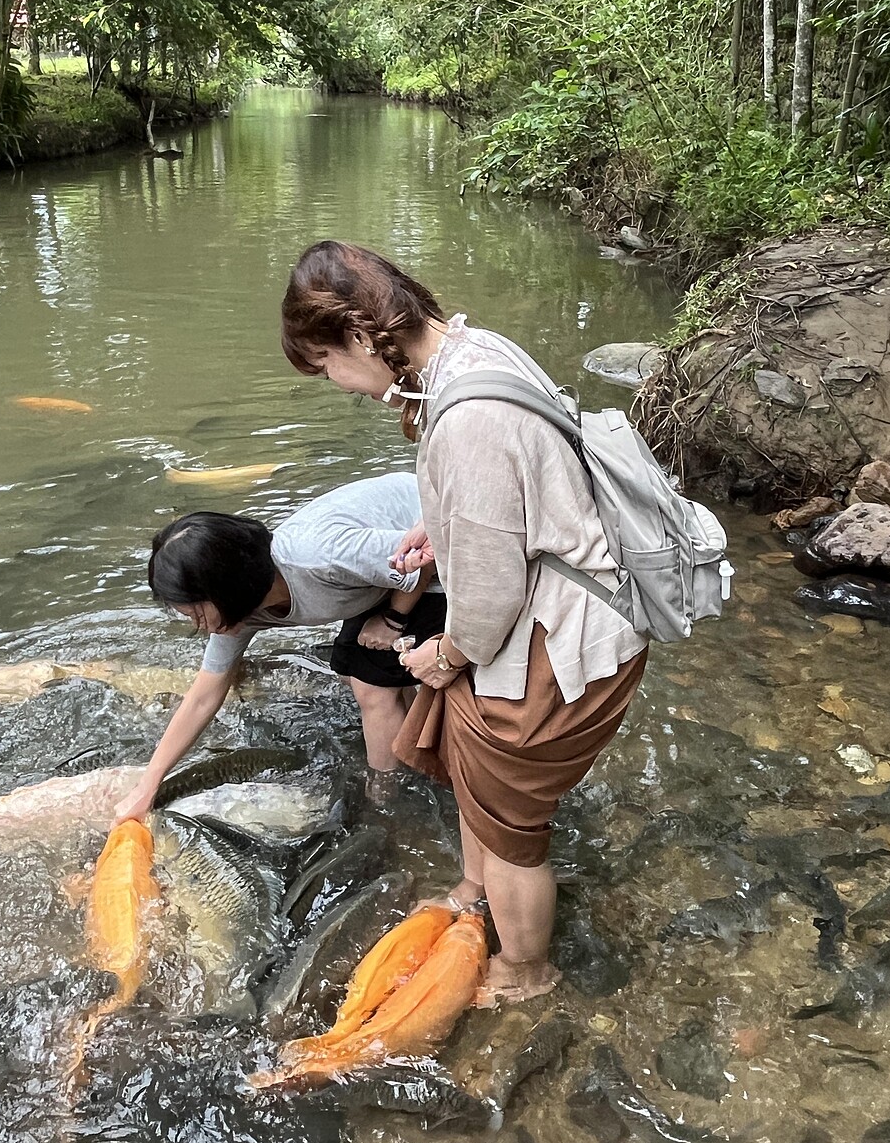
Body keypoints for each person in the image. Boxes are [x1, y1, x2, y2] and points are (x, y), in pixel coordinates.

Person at [280, 241, 648, 1003]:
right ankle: (472, 890)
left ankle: (525, 972)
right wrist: (439, 525)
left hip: (564, 641)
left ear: (357, 335)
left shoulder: (464, 419)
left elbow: (485, 601)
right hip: (579, 605)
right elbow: (511, 493)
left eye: (328, 366)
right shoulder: (474, 349)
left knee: (516, 830)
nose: (341, 386)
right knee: (478, 781)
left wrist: (442, 655)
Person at [113, 472, 446, 823]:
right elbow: (203, 696)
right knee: (352, 668)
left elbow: (426, 553)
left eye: (195, 612)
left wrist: (393, 619)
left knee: (372, 687)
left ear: (228, 589)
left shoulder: (321, 557)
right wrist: (148, 785)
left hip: (439, 555)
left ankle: (387, 800)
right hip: (378, 576)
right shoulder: (242, 609)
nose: (197, 625)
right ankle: (416, 740)